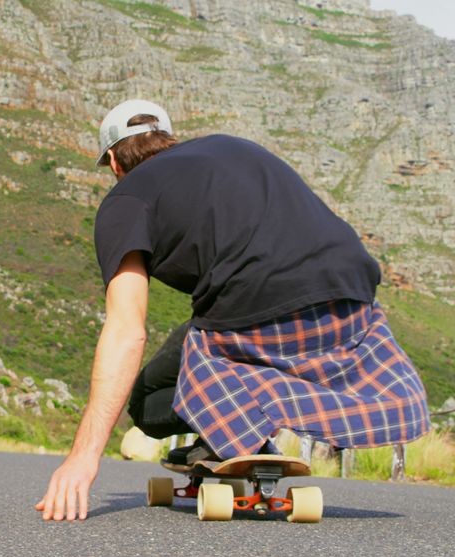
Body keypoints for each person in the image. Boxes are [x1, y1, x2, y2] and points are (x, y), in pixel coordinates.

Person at [35, 99, 429, 522]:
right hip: (353, 303)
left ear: (113, 160)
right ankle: (252, 415)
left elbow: (127, 330)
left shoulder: (125, 200)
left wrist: (83, 456)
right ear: (167, 138)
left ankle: (234, 430)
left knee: (147, 399)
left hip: (251, 312)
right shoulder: (235, 147)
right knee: (228, 330)